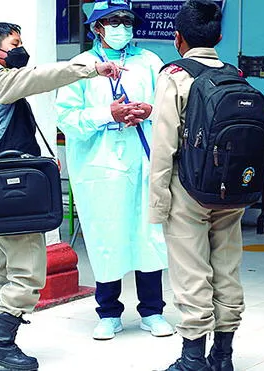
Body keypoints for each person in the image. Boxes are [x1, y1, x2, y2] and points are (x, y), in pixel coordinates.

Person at [0, 22, 124, 370]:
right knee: (27, 274)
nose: (21, 49)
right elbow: (45, 76)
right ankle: (2, 345)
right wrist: (92, 68)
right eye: (14, 43)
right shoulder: (1, 81)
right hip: (13, 199)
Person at [55, 0, 174, 341]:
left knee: (148, 235)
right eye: (113, 21)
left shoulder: (150, 62)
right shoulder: (82, 65)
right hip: (101, 166)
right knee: (107, 235)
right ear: (96, 28)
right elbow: (67, 118)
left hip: (144, 161)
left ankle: (152, 310)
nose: (121, 26)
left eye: (126, 20)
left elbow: (170, 107)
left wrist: (148, 110)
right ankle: (108, 312)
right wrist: (108, 114)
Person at [148, 1, 245, 370]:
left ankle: (192, 358)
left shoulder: (175, 75)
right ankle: (223, 355)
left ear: (178, 38)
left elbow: (163, 146)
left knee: (191, 274)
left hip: (187, 189)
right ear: (219, 37)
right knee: (226, 269)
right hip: (232, 190)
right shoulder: (235, 74)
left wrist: (158, 203)